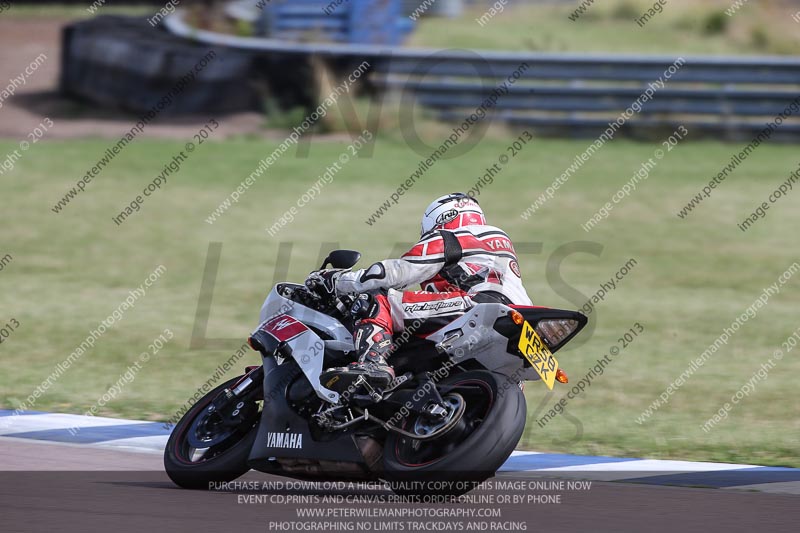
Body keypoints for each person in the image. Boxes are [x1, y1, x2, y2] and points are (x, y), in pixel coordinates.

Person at [306, 192, 533, 391]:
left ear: (440, 218)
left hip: (480, 305)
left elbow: (397, 273)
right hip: (520, 317)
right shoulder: (498, 245)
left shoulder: (452, 236)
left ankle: (373, 363)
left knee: (375, 300)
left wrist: (339, 280)